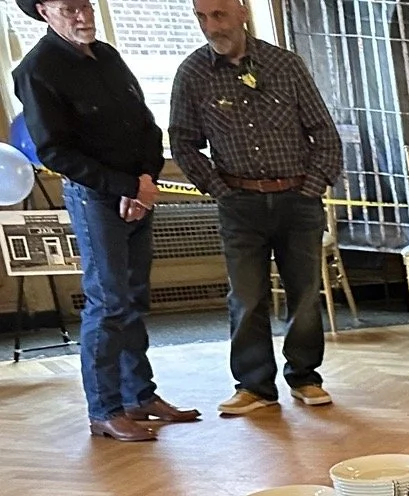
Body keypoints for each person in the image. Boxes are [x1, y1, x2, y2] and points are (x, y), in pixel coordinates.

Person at [12, 0, 199, 442]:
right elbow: (55, 151)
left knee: (133, 299)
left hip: (136, 190)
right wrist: (124, 186)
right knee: (109, 302)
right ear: (43, 11)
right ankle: (105, 410)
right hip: (97, 197)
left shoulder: (109, 56)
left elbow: (145, 124)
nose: (83, 15)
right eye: (70, 8)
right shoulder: (37, 70)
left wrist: (145, 180)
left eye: (86, 4)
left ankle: (140, 396)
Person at [169, 0, 341, 417]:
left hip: (296, 198)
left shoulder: (286, 65)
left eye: (219, 14)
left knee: (303, 295)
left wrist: (313, 186)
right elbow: (183, 142)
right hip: (239, 203)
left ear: (242, 12)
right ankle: (254, 385)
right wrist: (218, 189)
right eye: (202, 17)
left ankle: (305, 376)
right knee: (246, 297)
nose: (212, 26)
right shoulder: (193, 73)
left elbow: (324, 131)